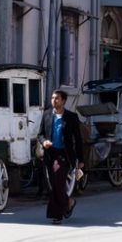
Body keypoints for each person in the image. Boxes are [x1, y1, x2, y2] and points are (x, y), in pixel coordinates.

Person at [38, 89, 84, 224]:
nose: (54, 100)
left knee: (58, 181)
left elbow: (78, 139)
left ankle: (56, 215)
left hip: (64, 154)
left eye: (57, 98)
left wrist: (80, 160)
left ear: (63, 101)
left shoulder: (71, 117)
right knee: (53, 185)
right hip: (49, 153)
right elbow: (40, 134)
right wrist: (44, 141)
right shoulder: (46, 115)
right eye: (52, 98)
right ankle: (69, 201)